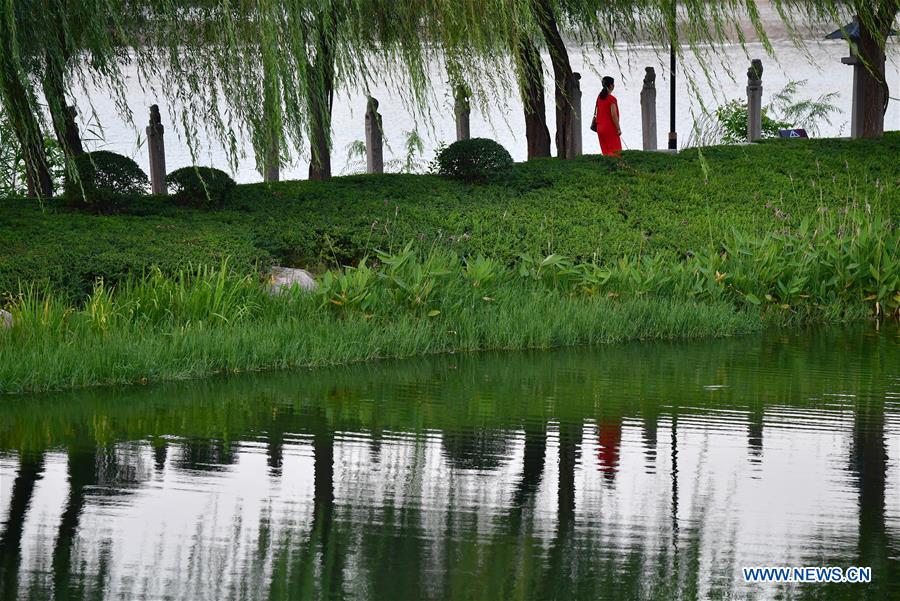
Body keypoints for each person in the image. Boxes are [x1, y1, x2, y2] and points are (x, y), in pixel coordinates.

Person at [594, 76, 622, 156]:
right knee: (616, 152)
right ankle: (616, 168)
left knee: (605, 152)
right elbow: (614, 115)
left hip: (599, 128)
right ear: (611, 86)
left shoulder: (599, 97)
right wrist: (618, 128)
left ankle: (607, 167)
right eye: (613, 84)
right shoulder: (612, 99)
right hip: (609, 128)